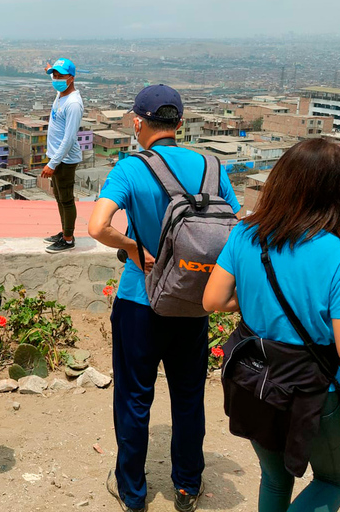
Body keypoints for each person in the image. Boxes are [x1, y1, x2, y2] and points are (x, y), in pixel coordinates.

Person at [203, 138, 340, 512]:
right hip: (311, 391)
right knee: (332, 479)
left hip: (254, 380)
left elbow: (213, 300)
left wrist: (251, 301)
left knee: (275, 475)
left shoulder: (246, 234)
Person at [89, 85, 241, 512]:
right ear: (180, 123)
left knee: (135, 397)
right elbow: (236, 230)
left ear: (138, 122)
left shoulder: (130, 168)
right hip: (193, 299)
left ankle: (133, 492)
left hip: (141, 300)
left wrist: (135, 249)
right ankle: (188, 485)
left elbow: (98, 226)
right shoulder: (212, 166)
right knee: (189, 395)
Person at [41, 57, 84, 254]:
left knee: (66, 199)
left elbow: (69, 138)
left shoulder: (73, 104)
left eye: (60, 76)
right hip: (57, 158)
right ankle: (65, 231)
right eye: (54, 76)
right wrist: (50, 69)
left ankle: (68, 239)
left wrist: (53, 163)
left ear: (71, 78)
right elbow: (55, 78)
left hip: (65, 160)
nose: (56, 79)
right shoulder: (61, 93)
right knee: (59, 197)